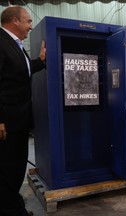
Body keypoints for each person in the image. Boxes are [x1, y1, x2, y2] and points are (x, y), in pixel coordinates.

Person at [0, 5, 46, 216]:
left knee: (16, 166)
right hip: (7, 122)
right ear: (14, 21)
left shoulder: (15, 44)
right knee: (8, 168)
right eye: (28, 21)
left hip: (19, 120)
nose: (30, 26)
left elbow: (20, 73)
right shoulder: (1, 43)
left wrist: (40, 61)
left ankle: (13, 203)